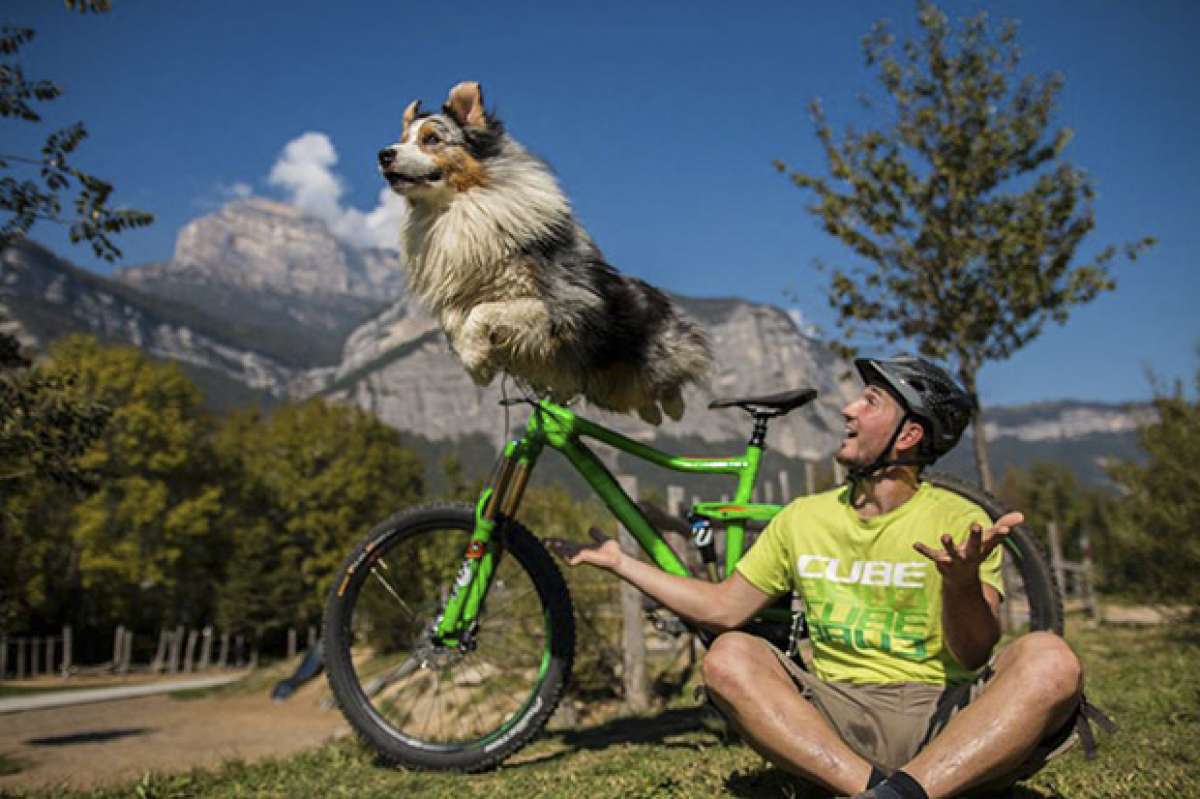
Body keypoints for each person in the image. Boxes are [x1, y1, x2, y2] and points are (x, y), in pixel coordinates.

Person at [547, 355, 1088, 799]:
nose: (848, 410)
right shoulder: (803, 517)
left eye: (870, 402)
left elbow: (973, 655)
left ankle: (902, 790)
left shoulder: (959, 519)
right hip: (836, 720)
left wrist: (962, 584)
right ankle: (885, 792)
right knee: (729, 655)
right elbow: (723, 609)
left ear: (909, 435)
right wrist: (622, 563)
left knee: (1050, 657)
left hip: (943, 717)